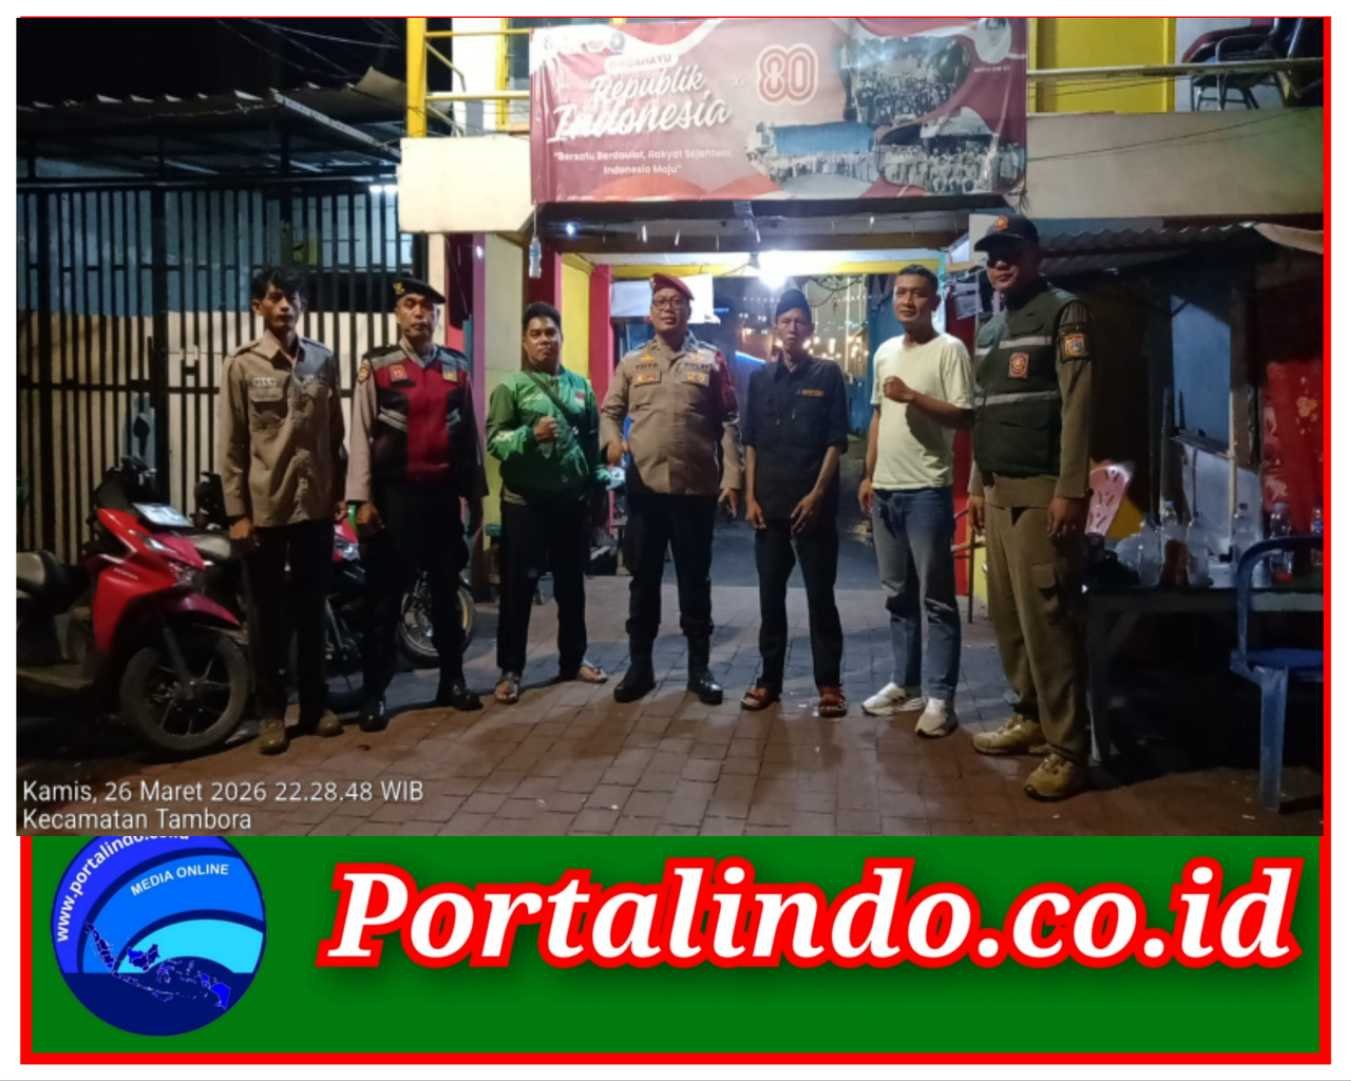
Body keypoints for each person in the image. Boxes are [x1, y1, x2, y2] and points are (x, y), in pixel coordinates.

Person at [967, 214, 1093, 801]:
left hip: (1043, 495)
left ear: (1036, 255)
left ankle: (1068, 749)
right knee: (1009, 617)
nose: (1000, 262)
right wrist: (976, 483)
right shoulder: (992, 328)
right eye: (993, 254)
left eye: (1011, 251)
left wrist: (1071, 489)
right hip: (997, 492)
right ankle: (1030, 717)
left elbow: (1077, 404)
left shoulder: (1065, 313)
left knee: (1049, 621)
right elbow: (982, 410)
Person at [346, 275, 487, 730]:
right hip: (395, 500)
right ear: (398, 313)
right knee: (385, 602)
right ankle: (374, 693)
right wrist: (361, 500)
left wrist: (476, 495)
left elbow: (469, 435)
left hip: (442, 498)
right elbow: (361, 435)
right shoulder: (377, 365)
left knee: (446, 595)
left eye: (427, 308)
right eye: (410, 305)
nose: (419, 314)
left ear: (436, 316)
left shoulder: (456, 366)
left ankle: (452, 681)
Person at [218, 267, 345, 755]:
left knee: (313, 610)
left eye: (291, 297)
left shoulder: (322, 361)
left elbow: (334, 434)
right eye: (274, 298)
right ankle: (271, 713)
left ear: (303, 305)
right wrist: (237, 514)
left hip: (314, 507)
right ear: (258, 307)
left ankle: (315, 706)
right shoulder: (242, 366)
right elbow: (232, 445)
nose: (284, 306)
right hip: (265, 510)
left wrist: (338, 491)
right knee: (267, 618)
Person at [600, 273, 743, 705]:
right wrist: (611, 441)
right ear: (650, 312)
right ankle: (640, 668)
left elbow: (729, 421)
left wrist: (732, 477)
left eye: (675, 302)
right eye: (660, 301)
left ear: (688, 311)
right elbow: (610, 412)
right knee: (643, 582)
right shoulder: (632, 362)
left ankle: (699, 670)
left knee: (695, 583)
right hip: (645, 492)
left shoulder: (711, 360)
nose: (667, 308)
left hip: (695, 492)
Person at [858, 265, 974, 738]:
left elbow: (964, 415)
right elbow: (877, 416)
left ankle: (941, 698)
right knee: (897, 596)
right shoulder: (885, 352)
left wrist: (913, 395)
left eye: (918, 294)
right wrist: (869, 474)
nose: (907, 301)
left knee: (937, 599)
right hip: (886, 491)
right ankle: (904, 685)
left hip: (927, 489)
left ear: (935, 300)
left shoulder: (950, 350)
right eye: (901, 293)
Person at [485, 301, 609, 704]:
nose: (544, 340)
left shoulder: (581, 386)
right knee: (518, 589)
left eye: (550, 333)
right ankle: (510, 669)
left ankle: (573, 659)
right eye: (535, 334)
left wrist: (596, 485)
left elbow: (591, 441)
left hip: (570, 504)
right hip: (524, 505)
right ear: (524, 342)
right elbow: (494, 441)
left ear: (561, 337)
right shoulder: (510, 388)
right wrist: (529, 435)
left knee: (572, 587)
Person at [741, 288, 849, 718]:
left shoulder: (827, 374)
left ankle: (830, 685)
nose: (792, 328)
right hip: (769, 510)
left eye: (799, 321)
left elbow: (836, 441)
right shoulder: (760, 379)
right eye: (785, 320)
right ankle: (769, 681)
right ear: (775, 327)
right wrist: (750, 496)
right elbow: (750, 442)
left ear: (810, 329)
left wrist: (817, 494)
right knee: (771, 600)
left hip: (813, 511)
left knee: (821, 599)